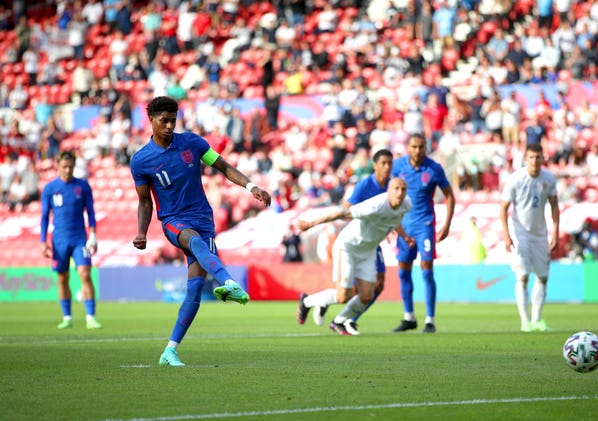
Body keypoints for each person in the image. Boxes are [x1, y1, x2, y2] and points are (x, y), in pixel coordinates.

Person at [130, 96, 271, 366]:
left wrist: (252, 187)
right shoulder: (141, 161)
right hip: (173, 220)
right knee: (194, 243)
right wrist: (141, 232)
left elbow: (224, 167)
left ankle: (170, 350)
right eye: (164, 121)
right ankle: (228, 282)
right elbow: (145, 200)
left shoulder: (193, 144)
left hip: (203, 218)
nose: (170, 126)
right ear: (151, 120)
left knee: (194, 289)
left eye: (173, 120)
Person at [296, 178, 414, 335]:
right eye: (396, 189)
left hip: (368, 251)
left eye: (403, 189)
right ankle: (306, 301)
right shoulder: (375, 205)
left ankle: (338, 322)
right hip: (348, 247)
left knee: (366, 296)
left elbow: (394, 219)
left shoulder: (406, 204)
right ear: (389, 190)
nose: (400, 193)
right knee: (343, 296)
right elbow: (342, 213)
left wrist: (405, 236)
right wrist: (311, 224)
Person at [298, 149, 394, 328]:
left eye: (390, 163)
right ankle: (313, 302)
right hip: (356, 240)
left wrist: (393, 229)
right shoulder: (365, 185)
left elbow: (394, 211)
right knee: (348, 293)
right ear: (375, 165)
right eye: (383, 163)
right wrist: (312, 224)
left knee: (376, 286)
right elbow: (347, 209)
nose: (387, 167)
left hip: (373, 242)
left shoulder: (392, 186)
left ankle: (344, 320)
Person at [391, 133, 455, 333]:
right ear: (408, 148)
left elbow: (449, 196)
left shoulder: (434, 168)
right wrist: (389, 223)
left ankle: (430, 320)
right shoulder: (398, 166)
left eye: (421, 147)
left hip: (425, 224)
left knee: (427, 269)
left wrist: (446, 224)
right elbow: (388, 194)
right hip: (404, 225)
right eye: (414, 147)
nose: (417, 151)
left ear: (426, 148)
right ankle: (409, 316)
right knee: (403, 271)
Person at [500, 143, 559, 333]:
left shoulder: (549, 178)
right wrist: (507, 235)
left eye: (538, 157)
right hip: (520, 234)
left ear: (543, 158)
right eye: (531, 157)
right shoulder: (516, 179)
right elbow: (503, 208)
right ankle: (525, 321)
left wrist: (555, 232)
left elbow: (554, 207)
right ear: (525, 159)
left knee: (542, 278)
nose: (535, 161)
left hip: (540, 235)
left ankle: (537, 319)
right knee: (523, 276)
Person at [40, 151, 101, 330]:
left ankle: (90, 317)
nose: (67, 170)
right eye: (64, 167)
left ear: (74, 167)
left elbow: (90, 213)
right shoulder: (50, 188)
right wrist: (43, 241)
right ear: (58, 166)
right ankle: (67, 317)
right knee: (62, 277)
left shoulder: (82, 186)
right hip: (59, 240)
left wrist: (93, 236)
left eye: (70, 167)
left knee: (85, 273)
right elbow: (44, 217)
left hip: (79, 238)